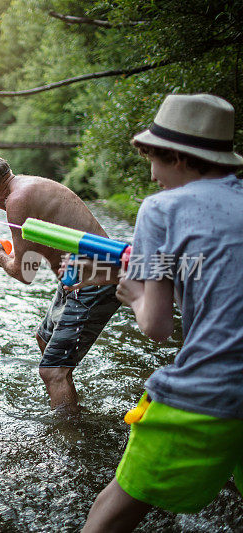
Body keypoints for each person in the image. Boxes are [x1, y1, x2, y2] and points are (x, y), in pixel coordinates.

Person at [82, 94, 243, 532]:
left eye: (153, 159)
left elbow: (156, 326)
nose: (152, 174)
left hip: (212, 390)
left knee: (108, 513)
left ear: (175, 156)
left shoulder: (160, 209)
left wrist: (132, 293)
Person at [0, 149, 121, 413]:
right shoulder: (25, 189)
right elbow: (31, 264)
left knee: (51, 371)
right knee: (45, 339)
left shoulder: (18, 201)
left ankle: (69, 438)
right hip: (76, 277)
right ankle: (69, 404)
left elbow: (23, 273)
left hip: (94, 282)